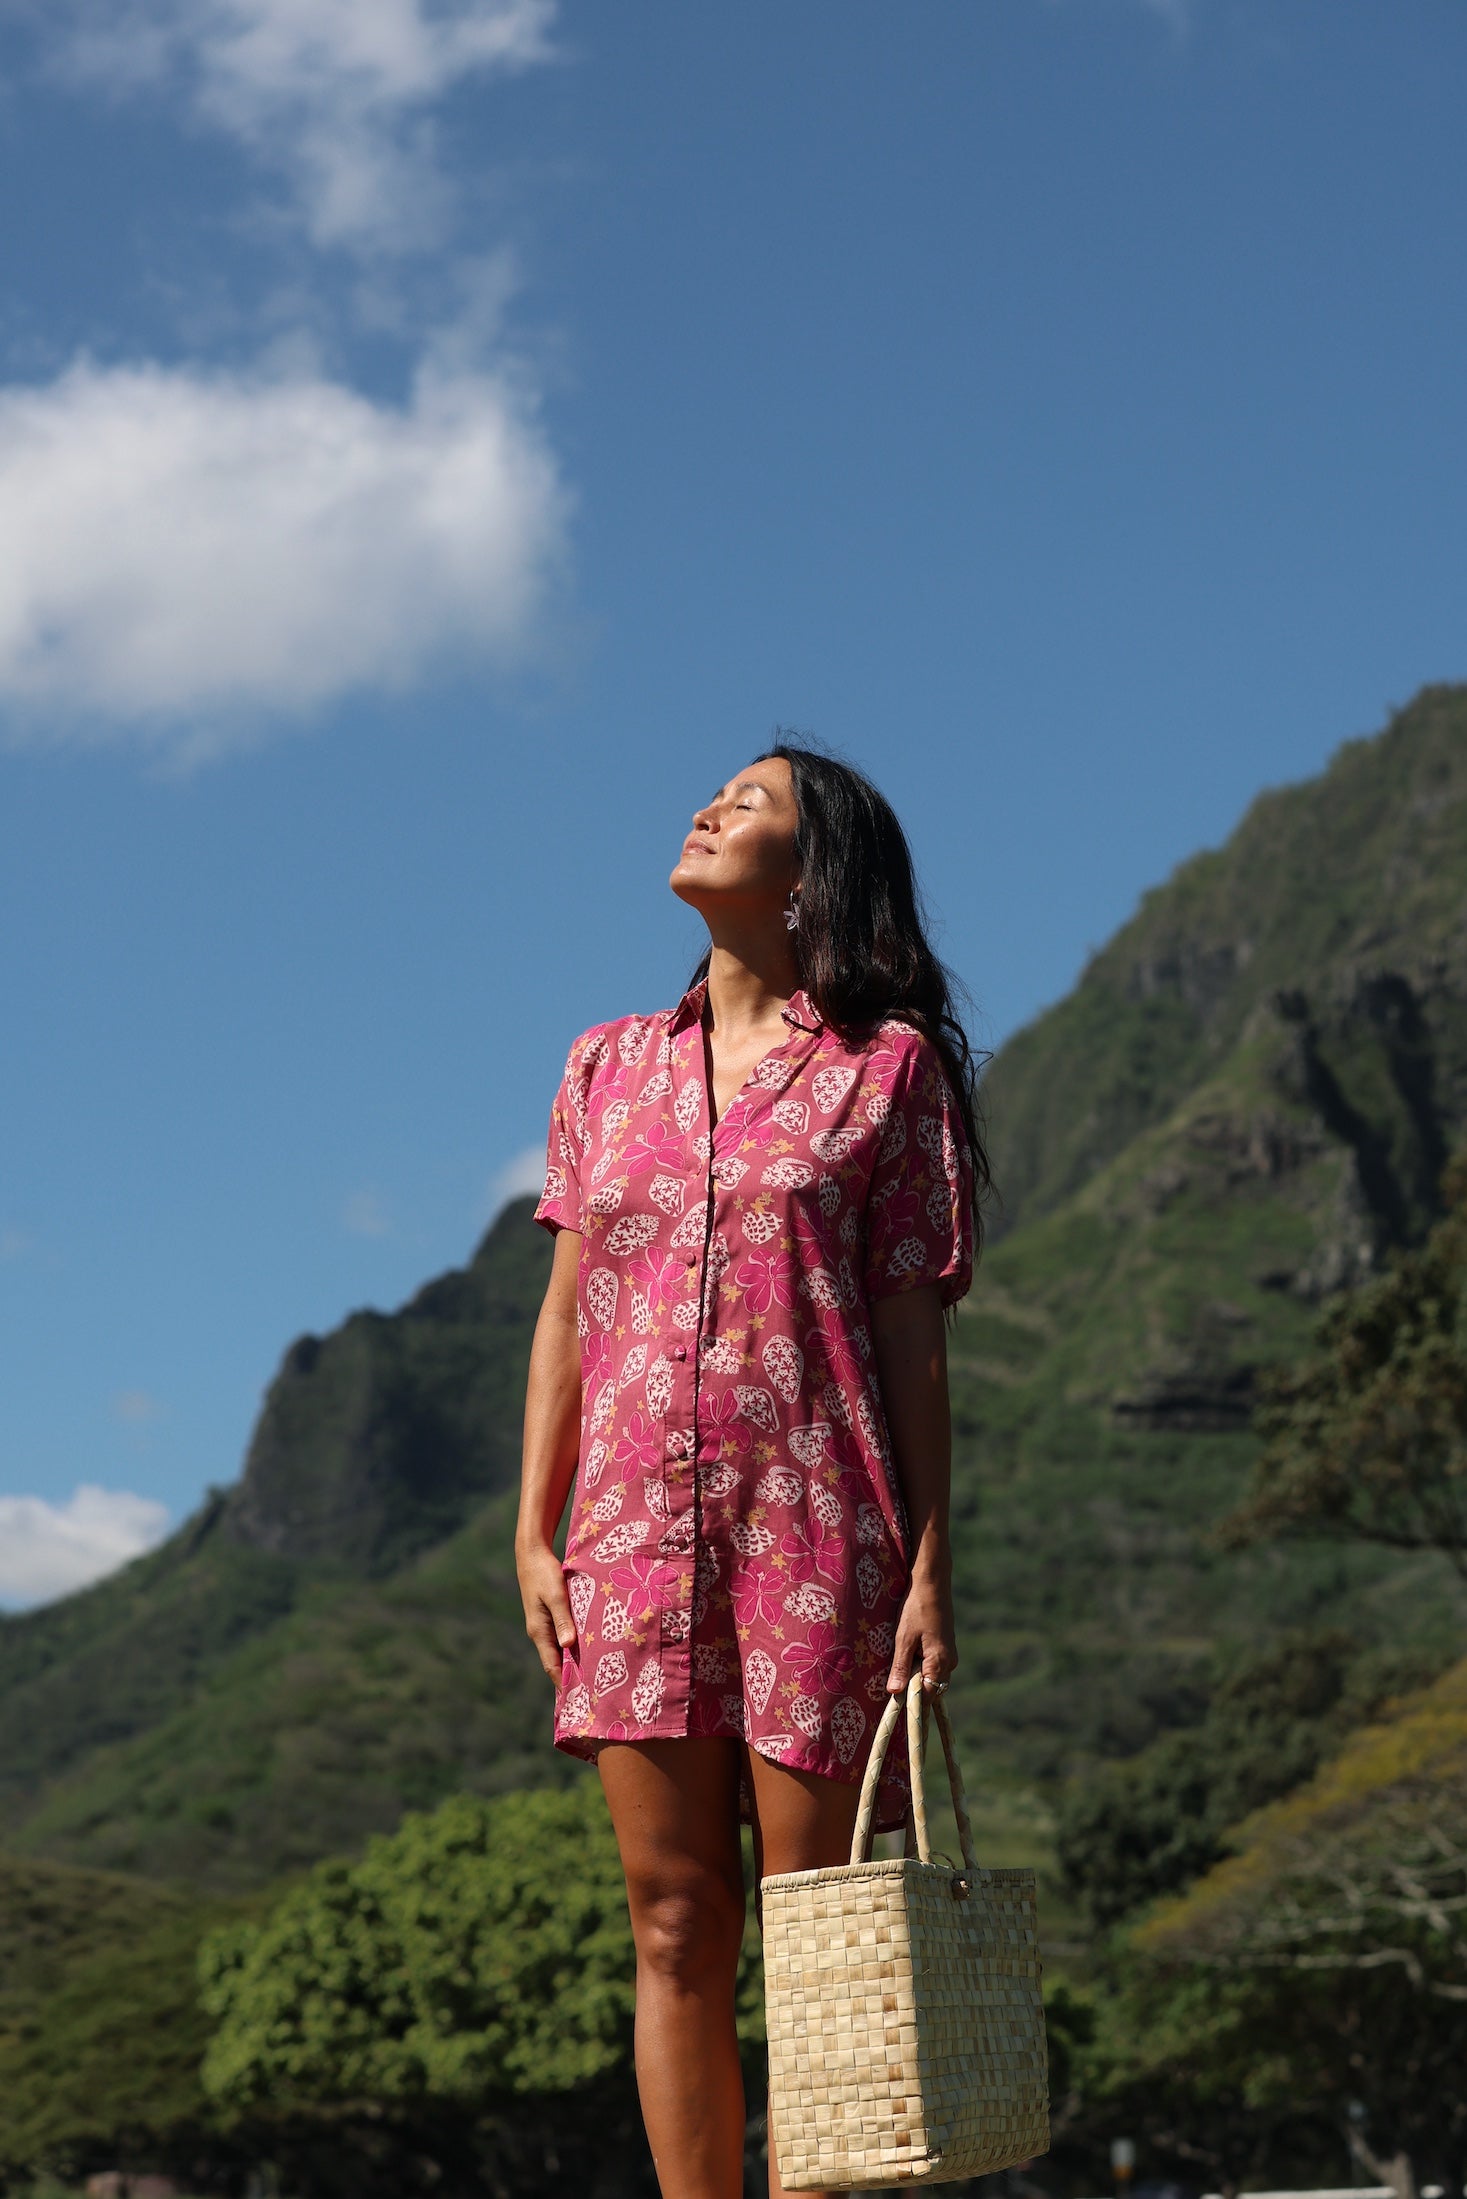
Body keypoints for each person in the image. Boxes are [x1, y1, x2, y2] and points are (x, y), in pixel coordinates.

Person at [516, 742, 988, 2199]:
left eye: (754, 801)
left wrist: (927, 1563)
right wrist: (533, 1533)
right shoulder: (606, 1064)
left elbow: (911, 1338)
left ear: (814, 870)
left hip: (819, 1540)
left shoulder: (885, 1070)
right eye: (716, 792)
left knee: (822, 1936)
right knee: (672, 1922)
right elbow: (566, 1318)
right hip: (630, 1549)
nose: (711, 807)